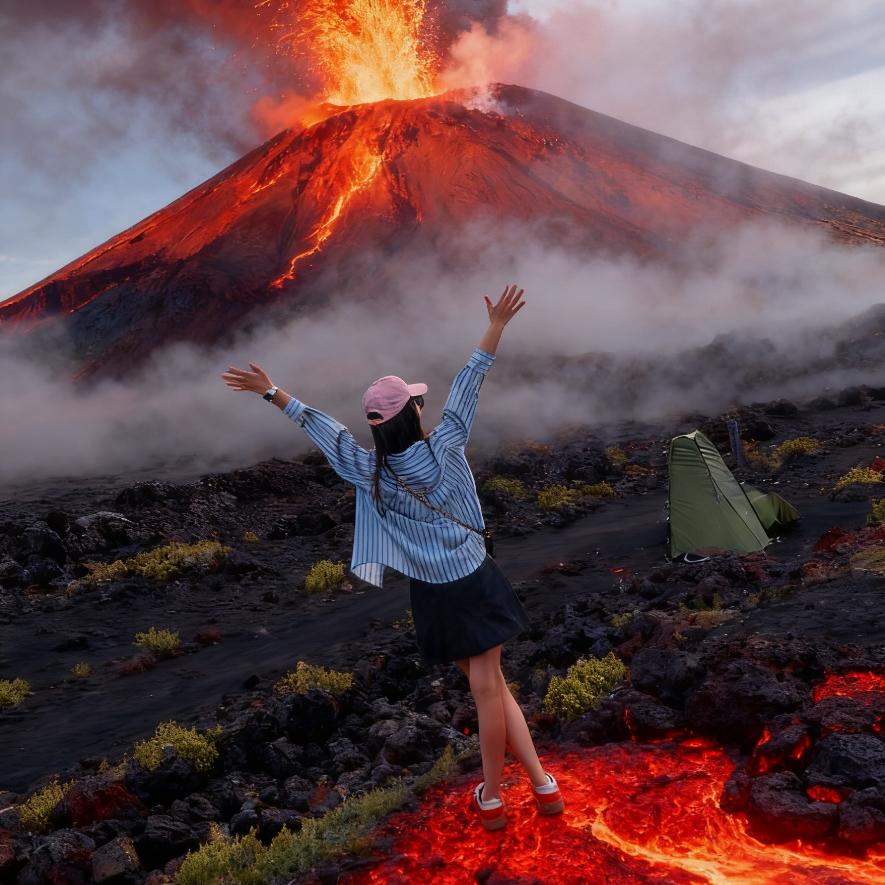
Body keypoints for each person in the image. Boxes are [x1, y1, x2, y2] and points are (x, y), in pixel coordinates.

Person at [221, 284, 564, 830]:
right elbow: (470, 381)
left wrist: (273, 393)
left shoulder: (369, 472)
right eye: (418, 401)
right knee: (490, 690)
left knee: (489, 690)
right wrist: (496, 325)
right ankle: (518, 791)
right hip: (475, 578)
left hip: (433, 593)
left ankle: (516, 791)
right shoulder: (447, 443)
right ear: (415, 412)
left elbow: (326, 431)